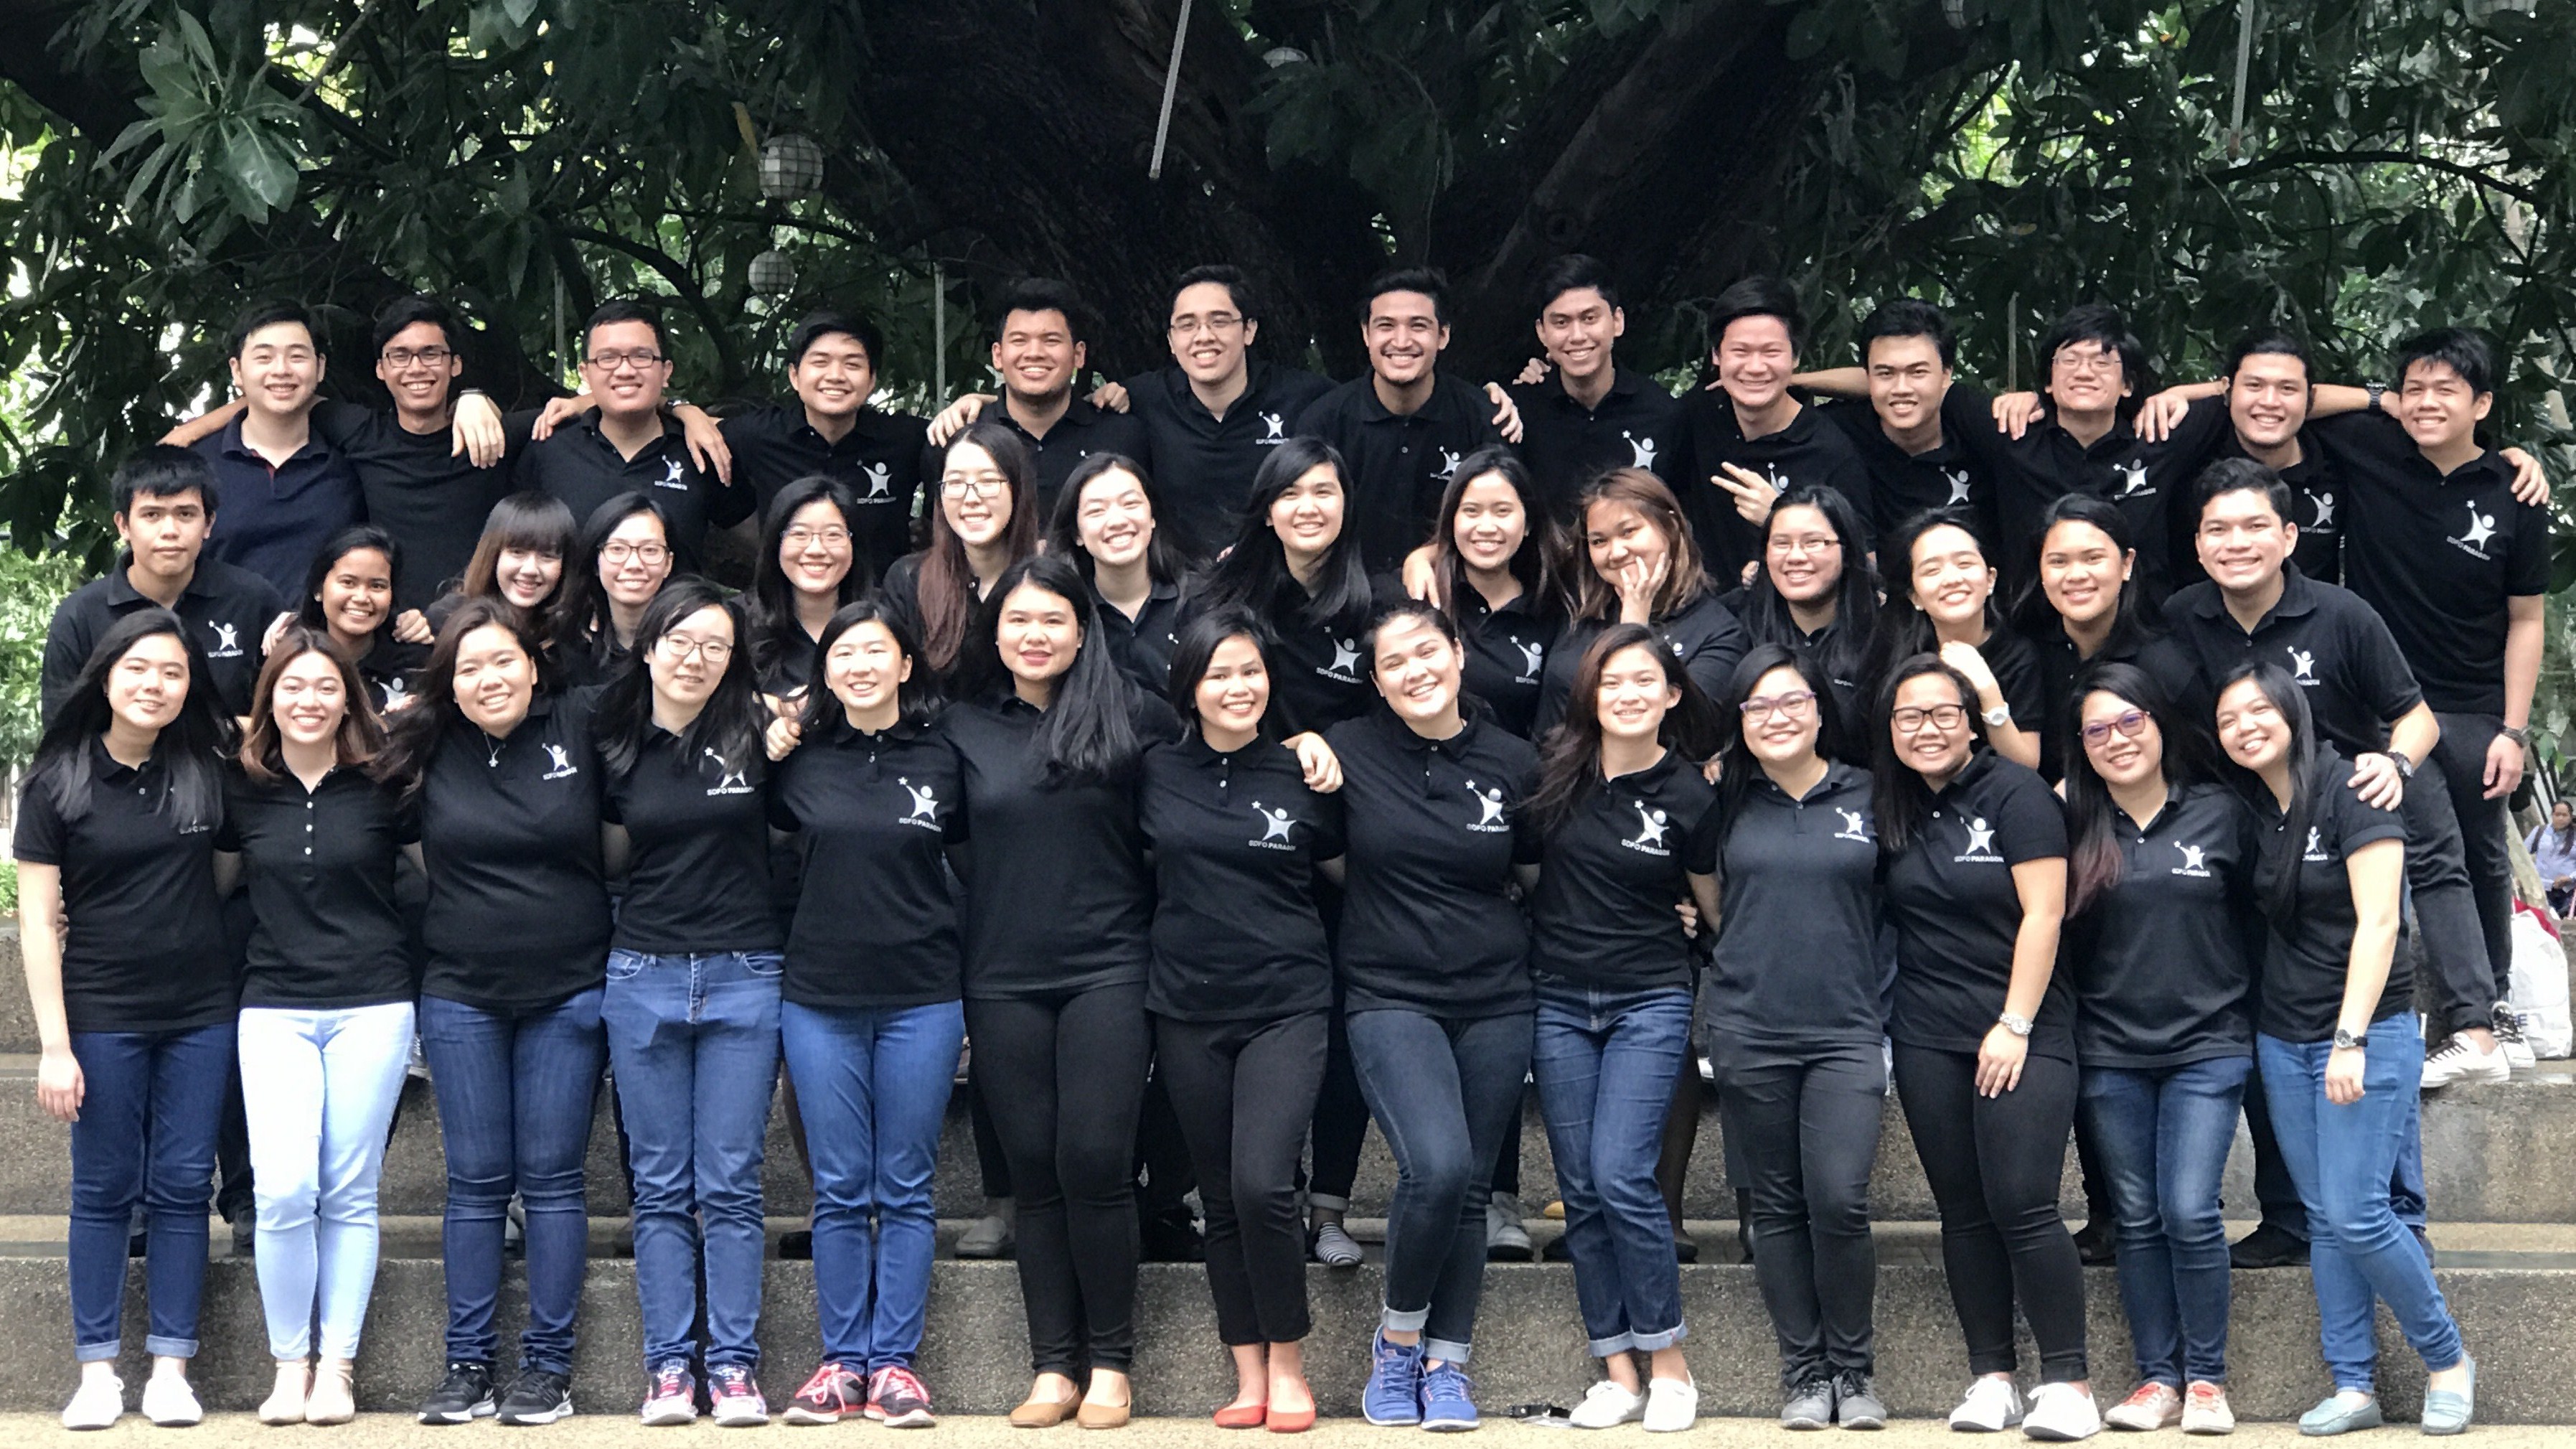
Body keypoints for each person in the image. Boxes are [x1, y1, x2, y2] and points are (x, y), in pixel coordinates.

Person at [2163, 459, 2455, 1258]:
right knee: (2272, 1031)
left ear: (2289, 536)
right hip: (2246, 849)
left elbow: (2417, 718)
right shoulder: (2181, 618)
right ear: (2198, 544)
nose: (2236, 542)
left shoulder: (2341, 614)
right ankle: (2289, 1215)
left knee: (2373, 1021)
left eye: (2254, 526)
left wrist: (2392, 764)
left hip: (2346, 838)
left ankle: (2401, 1217)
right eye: (2218, 529)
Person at [942, 553, 1182, 1429]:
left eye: (1052, 620)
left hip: (1109, 969)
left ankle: (1111, 1363)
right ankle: (1052, 1367)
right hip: (1001, 975)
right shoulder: (963, 726)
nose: (1034, 635)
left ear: (1082, 631)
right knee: (1034, 1174)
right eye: (1017, 620)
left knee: (1094, 1161)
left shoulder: (1136, 715)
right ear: (994, 632)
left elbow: (1198, 798)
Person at [2211, 664, 2477, 1436]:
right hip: (2281, 1038)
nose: (2243, 727)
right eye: (2228, 719)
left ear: (2294, 711)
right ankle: (2353, 1383)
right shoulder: (2258, 809)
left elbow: (2381, 921)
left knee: (2360, 1214)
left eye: (2258, 710)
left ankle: (2447, 1359)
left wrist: (2349, 1037)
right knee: (2325, 1219)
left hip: (2367, 1034)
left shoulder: (2353, 788)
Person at [373, 599, 614, 1427]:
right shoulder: (426, 745)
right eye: (468, 668)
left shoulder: (579, 723)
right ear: (448, 682)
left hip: (569, 988)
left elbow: (619, 833)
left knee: (551, 1180)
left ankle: (547, 1368)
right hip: (461, 991)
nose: (488, 679)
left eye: (502, 661)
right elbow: (408, 849)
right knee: (474, 1183)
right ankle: (466, 1364)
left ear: (534, 667)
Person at [15, 612, 235, 1430]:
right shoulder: (57, 782)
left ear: (189, 686)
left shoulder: (205, 772)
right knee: (104, 1188)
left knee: (183, 1186)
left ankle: (172, 1368)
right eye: (139, 668)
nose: (155, 685)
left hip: (200, 1012)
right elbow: (38, 922)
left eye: (173, 672)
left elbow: (223, 878)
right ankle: (98, 1370)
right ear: (106, 676)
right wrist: (55, 1046)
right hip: (102, 1013)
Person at [1325, 602, 1541, 1432]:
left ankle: (1448, 1365)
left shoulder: (1513, 760)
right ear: (1376, 682)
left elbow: (1535, 875)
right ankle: (1398, 1342)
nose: (1414, 671)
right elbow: (1326, 856)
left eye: (1427, 651)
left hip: (1496, 996)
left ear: (1456, 653)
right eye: (1393, 663)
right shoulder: (1346, 749)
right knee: (1438, 1167)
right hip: (1389, 992)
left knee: (1472, 1187)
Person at [1874, 652, 2096, 1438]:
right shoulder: (1892, 802)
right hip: (1926, 1033)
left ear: (1971, 721)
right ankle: (1992, 1376)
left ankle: (2067, 1382)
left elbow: (2045, 912)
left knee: (2022, 1203)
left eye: (1943, 713)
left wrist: (2014, 1022)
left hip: (2023, 1028)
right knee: (1963, 1212)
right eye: (1909, 716)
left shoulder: (2016, 794)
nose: (1927, 729)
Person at [2319, 329, 2547, 1087]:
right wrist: (2381, 399)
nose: (2424, 403)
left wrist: (2514, 730)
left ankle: (2494, 1008)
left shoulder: (2514, 491)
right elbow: (2277, 397)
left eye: (2444, 390)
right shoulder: (2369, 449)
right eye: (2413, 388)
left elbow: (2526, 619)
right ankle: (2474, 1026)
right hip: (2390, 708)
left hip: (2478, 709)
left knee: (2484, 856)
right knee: (2433, 852)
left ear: (2481, 404)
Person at [1185, 439, 1388, 1270]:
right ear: (1266, 509)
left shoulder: (1376, 600)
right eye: (1291, 493)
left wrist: (1328, 744)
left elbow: (1403, 703)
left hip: (1349, 831)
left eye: (1324, 491)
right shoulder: (1220, 593)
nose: (1308, 507)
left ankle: (1330, 1204)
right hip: (1243, 836)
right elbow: (1196, 700)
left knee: (1339, 1026)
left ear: (1347, 504)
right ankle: (1266, 1190)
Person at [1141, 609, 1344, 1432]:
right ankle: (1247, 1371)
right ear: (1188, 686)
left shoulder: (1303, 770)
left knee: (1264, 1184)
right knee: (1220, 1197)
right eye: (1218, 674)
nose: (1238, 687)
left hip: (1285, 1002)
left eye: (1251, 672)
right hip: (1185, 1005)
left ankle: (1288, 1364)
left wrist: (1314, 742)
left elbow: (1350, 873)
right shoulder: (1153, 770)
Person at [763, 600, 964, 1428]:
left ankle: (895, 1367)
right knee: (841, 1187)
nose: (859, 666)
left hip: (923, 994)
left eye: (876, 651)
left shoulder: (946, 754)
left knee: (906, 1186)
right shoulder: (798, 757)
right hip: (819, 997)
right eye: (842, 653)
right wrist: (773, 733)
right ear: (825, 669)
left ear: (905, 665)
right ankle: (841, 1362)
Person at [587, 580, 783, 1426]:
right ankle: (669, 1366)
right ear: (648, 646)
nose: (694, 658)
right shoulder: (612, 741)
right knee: (661, 1185)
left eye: (714, 645)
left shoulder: (761, 735)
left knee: (731, 1182)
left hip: (746, 971)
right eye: (679, 640)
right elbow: (608, 855)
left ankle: (733, 1366)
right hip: (643, 973)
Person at [1524, 624, 1724, 1433]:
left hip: (1650, 997)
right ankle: (1616, 1370)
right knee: (1579, 1189)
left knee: (1621, 1175)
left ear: (1671, 694)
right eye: (1611, 682)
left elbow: (1712, 907)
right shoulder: (1551, 775)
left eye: (1645, 680)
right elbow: (1526, 874)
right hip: (1558, 999)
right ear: (1589, 696)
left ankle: (1669, 1363)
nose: (1628, 695)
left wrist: (1693, 925)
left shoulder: (1691, 795)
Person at [220, 627, 414, 1425]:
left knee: (348, 1190)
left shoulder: (385, 784)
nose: (310, 700)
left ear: (350, 699)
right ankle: (288, 1366)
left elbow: (439, 875)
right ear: (269, 699)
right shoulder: (241, 788)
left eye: (327, 686)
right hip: (273, 1005)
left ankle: (336, 1367)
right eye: (293, 686)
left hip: (374, 1002)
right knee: (282, 1189)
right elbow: (215, 885)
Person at [2058, 663, 2256, 1435]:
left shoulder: (2220, 811)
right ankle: (2157, 1378)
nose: (2116, 740)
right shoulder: (2073, 822)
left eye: (2129, 721)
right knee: (2136, 1216)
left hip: (2208, 1043)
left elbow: (2260, 916)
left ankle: (2206, 1379)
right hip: (2110, 1050)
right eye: (2096, 730)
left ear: (2159, 723)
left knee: (2188, 1208)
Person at [1697, 644, 1887, 1430]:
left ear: (1819, 710)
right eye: (1758, 706)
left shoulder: (1871, 793)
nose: (1776, 718)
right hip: (1749, 1026)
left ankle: (1853, 1370)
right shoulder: (1722, 800)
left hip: (1846, 1029)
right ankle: (1804, 1374)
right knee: (1774, 1205)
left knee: (1838, 1198)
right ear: (1739, 720)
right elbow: (1708, 900)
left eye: (1792, 702)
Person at [164, 294, 531, 614]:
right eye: (400, 356)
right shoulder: (359, 436)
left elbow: (563, 415)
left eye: (431, 354)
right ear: (381, 369)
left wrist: (473, 397)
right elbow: (280, 395)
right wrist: (188, 433)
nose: (416, 368)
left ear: (456, 364)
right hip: (255, 642)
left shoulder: (492, 437)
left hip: (456, 632)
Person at [42, 447, 285, 727]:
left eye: (185, 514)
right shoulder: (80, 615)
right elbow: (60, 732)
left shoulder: (253, 600)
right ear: (123, 525)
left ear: (208, 523)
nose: (170, 531)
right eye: (152, 515)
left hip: (232, 756)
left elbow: (286, 719)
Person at [513, 299, 754, 576]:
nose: (625, 371)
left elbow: (762, 539)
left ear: (666, 371)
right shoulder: (549, 449)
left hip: (675, 604)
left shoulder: (700, 451)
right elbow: (511, 543)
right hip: (573, 605)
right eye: (608, 358)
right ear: (585, 373)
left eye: (641, 357)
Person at [1294, 267, 1512, 572]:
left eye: (1418, 326)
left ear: (1443, 335)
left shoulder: (1484, 418)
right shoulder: (1324, 422)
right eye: (1386, 326)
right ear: (1366, 334)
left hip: (1454, 588)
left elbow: (1507, 518)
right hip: (1347, 591)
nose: (1401, 341)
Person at [711, 309, 931, 583]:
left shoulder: (906, 439)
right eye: (820, 362)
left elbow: (970, 437)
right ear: (794, 375)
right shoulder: (758, 435)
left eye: (852, 364)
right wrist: (681, 409)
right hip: (785, 602)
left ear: (872, 380)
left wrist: (975, 401)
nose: (835, 375)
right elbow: (691, 433)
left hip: (881, 603)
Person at [1680, 276, 1874, 585]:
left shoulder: (1830, 451)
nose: (1755, 367)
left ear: (1795, 357)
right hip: (1704, 609)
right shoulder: (1697, 417)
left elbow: (1866, 569)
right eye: (1740, 351)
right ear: (1717, 356)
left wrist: (1779, 518)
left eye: (1771, 352)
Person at [1535, 468, 1749, 735]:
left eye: (1628, 532)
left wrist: (1634, 626)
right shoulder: (1576, 608)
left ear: (1670, 526)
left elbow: (1692, 731)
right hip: (1554, 760)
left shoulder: (1719, 631)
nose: (1616, 552)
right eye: (1599, 541)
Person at [187, 299, 365, 601]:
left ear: (320, 367)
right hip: (220, 628)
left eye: (297, 356)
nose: (282, 370)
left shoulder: (354, 461)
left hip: (326, 630)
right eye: (264, 358)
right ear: (237, 370)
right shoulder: (195, 466)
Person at [926, 278, 1150, 515]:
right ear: (998, 356)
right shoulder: (957, 440)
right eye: (1019, 341)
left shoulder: (1123, 437)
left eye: (1051, 340)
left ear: (1078, 355)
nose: (1034, 353)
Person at [2024, 495, 2196, 784]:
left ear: (2127, 564)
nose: (2076, 575)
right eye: (2058, 562)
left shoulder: (2165, 666)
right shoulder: (2029, 658)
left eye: (2093, 558)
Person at [1505, 255, 1689, 517]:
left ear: (1617, 321)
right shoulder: (1516, 415)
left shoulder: (1662, 413)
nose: (1577, 336)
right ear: (1542, 332)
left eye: (1590, 318)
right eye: (1561, 322)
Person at [1411, 448, 1574, 741]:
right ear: (1452, 519)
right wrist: (1419, 558)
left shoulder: (1553, 607)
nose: (1486, 527)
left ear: (1528, 524)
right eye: (1471, 511)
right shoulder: (1420, 594)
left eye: (1502, 511)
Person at [1869, 510, 2044, 771]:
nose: (1952, 579)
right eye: (1932, 570)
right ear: (1915, 596)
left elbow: (2026, 766)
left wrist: (1987, 690)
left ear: (1991, 579)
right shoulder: (1894, 657)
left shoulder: (2019, 655)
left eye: (1964, 564)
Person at [1812, 298, 1998, 538]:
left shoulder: (1978, 430)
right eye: (1886, 373)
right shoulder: (1840, 434)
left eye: (1917, 372)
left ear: (1946, 375)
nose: (1901, 388)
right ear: (1867, 377)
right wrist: (1789, 381)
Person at [882, 421, 1045, 681]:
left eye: (988, 481)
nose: (971, 498)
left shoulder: (1050, 580)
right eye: (956, 482)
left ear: (1018, 489)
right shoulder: (909, 580)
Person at [1734, 484, 1880, 732]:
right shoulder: (1737, 624)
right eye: (1781, 543)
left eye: (1813, 542)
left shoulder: (1885, 633)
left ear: (1847, 552)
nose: (1796, 557)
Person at [1048, 454, 1188, 692]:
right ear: (1077, 534)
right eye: (1096, 511)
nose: (1117, 521)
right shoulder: (1064, 614)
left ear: (1153, 517)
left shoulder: (1199, 603)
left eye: (1130, 504)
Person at [744, 476, 870, 701]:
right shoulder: (736, 622)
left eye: (833, 535)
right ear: (776, 543)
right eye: (799, 534)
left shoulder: (883, 619)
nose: (816, 549)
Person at [415, 491, 579, 646]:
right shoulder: (444, 620)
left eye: (547, 556)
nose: (530, 570)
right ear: (492, 555)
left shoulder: (572, 636)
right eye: (517, 552)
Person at [551, 492, 677, 687]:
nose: (634, 564)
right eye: (617, 549)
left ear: (668, 563)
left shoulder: (688, 644)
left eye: (650, 550)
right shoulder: (569, 642)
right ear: (595, 562)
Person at [294, 525, 423, 711]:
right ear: (318, 589)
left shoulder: (415, 662)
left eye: (377, 586)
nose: (361, 598)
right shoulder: (291, 657)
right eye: (348, 582)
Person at [2530, 801, 2576, 918]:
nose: (2560, 818)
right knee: (2543, 922)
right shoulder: (2540, 832)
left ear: (2571, 817)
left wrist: (2570, 878)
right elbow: (2522, 855)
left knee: (2564, 925)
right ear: (2552, 815)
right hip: (2542, 891)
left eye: (2564, 815)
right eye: (2557, 814)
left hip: (2568, 894)